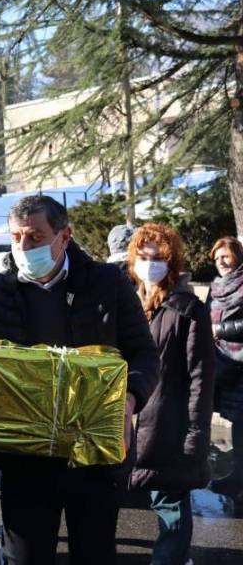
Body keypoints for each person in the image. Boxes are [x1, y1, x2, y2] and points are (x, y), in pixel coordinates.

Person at [0, 195, 159, 565]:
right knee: (25, 557)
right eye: (16, 237)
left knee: (94, 554)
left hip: (94, 456)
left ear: (64, 236)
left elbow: (144, 354)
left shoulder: (106, 284)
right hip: (24, 459)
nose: (22, 247)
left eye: (35, 237)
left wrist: (130, 398)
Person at [128, 223, 214, 565]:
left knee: (171, 509)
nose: (150, 263)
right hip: (129, 426)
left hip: (169, 429)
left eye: (159, 257)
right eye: (144, 256)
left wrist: (195, 436)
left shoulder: (187, 309)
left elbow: (200, 379)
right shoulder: (128, 305)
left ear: (172, 262)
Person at [207, 236, 243, 500]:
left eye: (226, 256)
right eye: (217, 258)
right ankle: (237, 475)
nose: (221, 262)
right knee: (236, 421)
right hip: (224, 364)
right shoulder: (216, 286)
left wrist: (219, 329)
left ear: (237, 257)